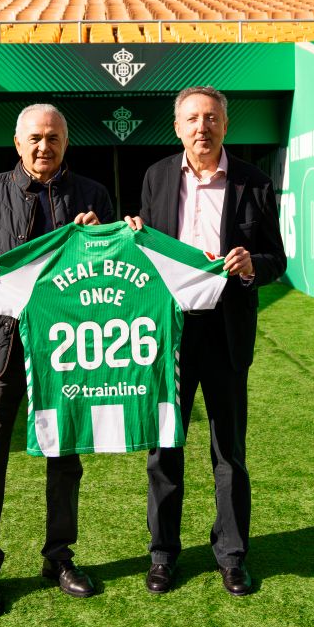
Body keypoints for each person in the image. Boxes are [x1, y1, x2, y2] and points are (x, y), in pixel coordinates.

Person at [0, 104, 114, 617]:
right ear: (17, 143)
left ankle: (59, 557)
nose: (45, 147)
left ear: (67, 143)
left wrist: (101, 234)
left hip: (65, 351)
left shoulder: (92, 195)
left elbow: (111, 268)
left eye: (55, 138)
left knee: (65, 459)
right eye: (36, 138)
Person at [125, 86, 286, 597]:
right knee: (164, 449)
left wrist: (248, 267)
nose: (203, 127)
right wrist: (133, 235)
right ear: (177, 127)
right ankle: (163, 553)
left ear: (225, 125)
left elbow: (276, 261)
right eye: (192, 118)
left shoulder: (255, 184)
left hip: (226, 333)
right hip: (168, 334)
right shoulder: (154, 178)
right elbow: (143, 254)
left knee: (229, 453)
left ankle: (233, 555)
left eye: (211, 118)